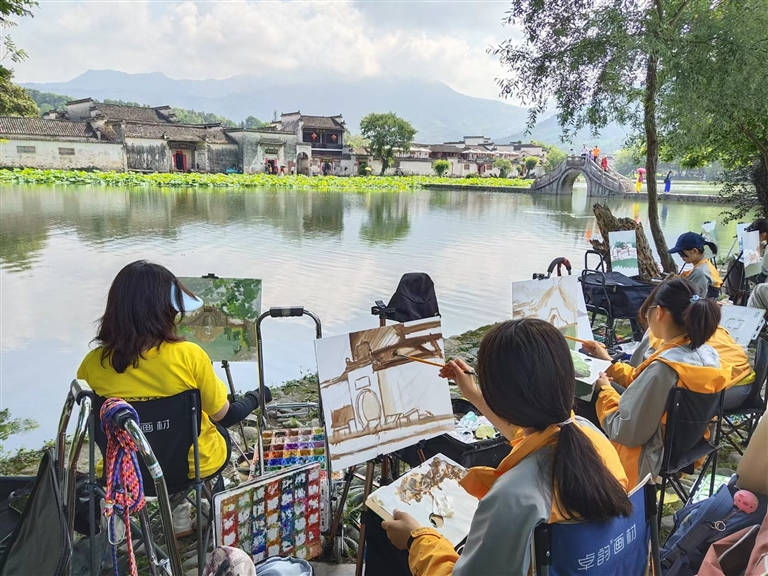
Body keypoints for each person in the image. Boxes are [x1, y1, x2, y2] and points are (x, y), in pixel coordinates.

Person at [376, 319, 632, 576]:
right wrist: (474, 394)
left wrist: (416, 540)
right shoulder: (589, 434)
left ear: (500, 396)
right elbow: (530, 435)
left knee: (387, 538)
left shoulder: (514, 496)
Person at [77, 261, 267, 482]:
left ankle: (179, 510)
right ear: (165, 311)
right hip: (190, 469)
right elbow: (226, 416)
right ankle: (204, 506)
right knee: (218, 431)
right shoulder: (189, 355)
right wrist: (257, 396)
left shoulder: (92, 364)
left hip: (124, 472)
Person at [582, 277, 730, 486]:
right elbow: (642, 380)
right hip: (685, 448)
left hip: (648, 455)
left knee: (585, 398)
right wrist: (609, 362)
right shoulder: (707, 355)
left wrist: (605, 390)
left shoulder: (665, 368)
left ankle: (588, 479)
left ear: (659, 312)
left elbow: (627, 432)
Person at [669, 231, 722, 298]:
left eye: (682, 253)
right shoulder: (704, 264)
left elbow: (695, 300)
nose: (681, 257)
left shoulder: (700, 272)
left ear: (694, 251)